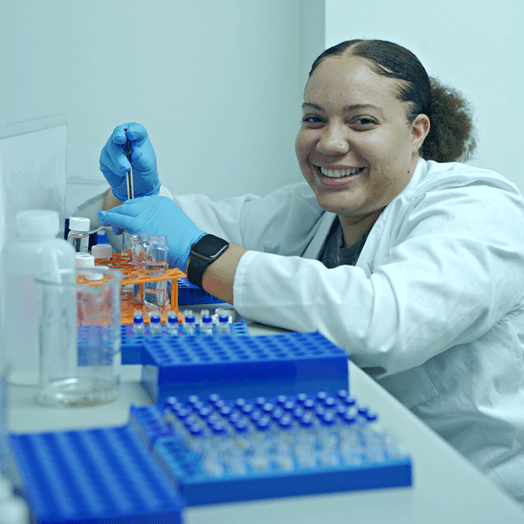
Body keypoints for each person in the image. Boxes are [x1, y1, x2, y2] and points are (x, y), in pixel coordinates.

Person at [76, 39, 524, 506]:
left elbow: (386, 319)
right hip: (361, 456)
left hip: (475, 489)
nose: (329, 142)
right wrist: (134, 193)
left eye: (362, 121)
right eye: (314, 118)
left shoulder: (479, 205)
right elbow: (189, 225)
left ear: (417, 133)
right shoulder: (313, 210)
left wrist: (200, 254)